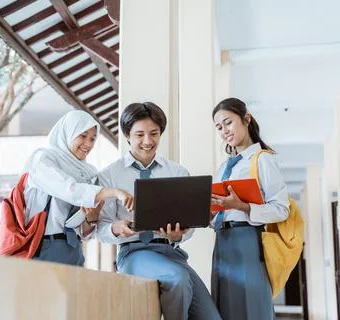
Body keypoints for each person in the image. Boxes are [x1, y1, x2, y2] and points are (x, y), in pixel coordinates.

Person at [97, 102, 221, 320]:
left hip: (172, 254)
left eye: (154, 133)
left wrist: (179, 235)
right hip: (134, 253)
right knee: (178, 278)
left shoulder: (177, 171)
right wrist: (118, 228)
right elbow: (101, 228)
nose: (148, 141)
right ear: (127, 135)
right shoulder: (110, 175)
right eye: (140, 135)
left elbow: (189, 224)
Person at [210, 97, 290, 320]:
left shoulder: (262, 160)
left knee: (252, 307)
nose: (224, 130)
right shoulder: (224, 167)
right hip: (222, 241)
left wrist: (242, 206)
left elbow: (281, 209)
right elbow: (220, 207)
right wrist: (211, 212)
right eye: (219, 127)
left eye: (228, 122)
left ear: (246, 119)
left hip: (247, 239)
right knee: (225, 308)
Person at [22, 110, 133, 266]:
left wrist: (91, 218)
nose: (88, 144)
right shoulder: (42, 159)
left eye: (93, 139)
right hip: (40, 246)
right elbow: (68, 188)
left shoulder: (89, 173)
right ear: (68, 132)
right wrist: (114, 192)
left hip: (72, 250)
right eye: (82, 136)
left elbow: (84, 232)